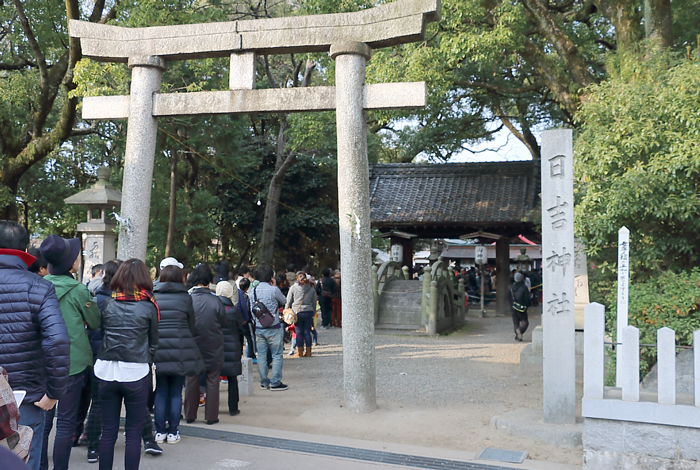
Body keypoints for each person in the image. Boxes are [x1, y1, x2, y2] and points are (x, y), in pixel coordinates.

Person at [0, 221, 71, 470]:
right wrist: (54, 392)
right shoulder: (39, 287)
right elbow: (58, 340)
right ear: (25, 250)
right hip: (25, 398)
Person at [40, 234, 101, 470]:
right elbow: (94, 321)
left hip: (41, 362)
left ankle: (40, 465)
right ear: (70, 263)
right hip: (71, 363)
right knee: (65, 422)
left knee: (43, 422)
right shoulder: (78, 290)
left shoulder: (38, 285)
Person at [95, 258, 159, 470]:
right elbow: (153, 342)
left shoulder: (108, 303)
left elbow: (103, 334)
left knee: (108, 430)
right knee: (133, 433)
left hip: (106, 369)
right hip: (135, 370)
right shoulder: (149, 306)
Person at [153, 264, 203, 445]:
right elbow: (192, 325)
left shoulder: (154, 296)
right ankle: (173, 432)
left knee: (160, 392)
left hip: (158, 349)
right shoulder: (185, 297)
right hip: (180, 349)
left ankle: (159, 432)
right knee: (175, 392)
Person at [184, 264, 225, 425]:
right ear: (210, 280)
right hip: (213, 343)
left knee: (191, 379)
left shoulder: (188, 299)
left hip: (192, 344)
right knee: (213, 380)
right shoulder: (216, 300)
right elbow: (223, 321)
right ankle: (211, 416)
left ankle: (189, 414)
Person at [251, 265, 288, 391]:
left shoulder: (253, 291)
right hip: (274, 326)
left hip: (259, 327)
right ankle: (275, 382)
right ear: (271, 277)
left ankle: (263, 382)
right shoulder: (274, 290)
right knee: (277, 354)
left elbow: (252, 309)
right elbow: (284, 301)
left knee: (261, 355)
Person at [215, 281, 245, 416]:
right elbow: (241, 327)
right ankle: (233, 408)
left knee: (213, 378)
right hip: (232, 347)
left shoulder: (212, 308)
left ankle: (213, 407)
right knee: (232, 379)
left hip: (216, 347)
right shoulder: (233, 311)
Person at [286, 271, 317, 357]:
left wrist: (287, 310)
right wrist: (313, 312)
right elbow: (314, 302)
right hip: (308, 311)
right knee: (307, 332)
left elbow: (288, 301)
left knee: (299, 332)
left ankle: (299, 352)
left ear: (297, 278)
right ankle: (308, 352)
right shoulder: (311, 288)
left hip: (297, 312)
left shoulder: (293, 288)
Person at [508, 272, 530, 341]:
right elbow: (527, 298)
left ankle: (518, 336)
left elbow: (509, 298)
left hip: (513, 307)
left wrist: (512, 304)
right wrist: (526, 305)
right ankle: (519, 332)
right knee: (525, 322)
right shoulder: (524, 288)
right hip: (521, 307)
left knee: (516, 322)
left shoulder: (511, 288)